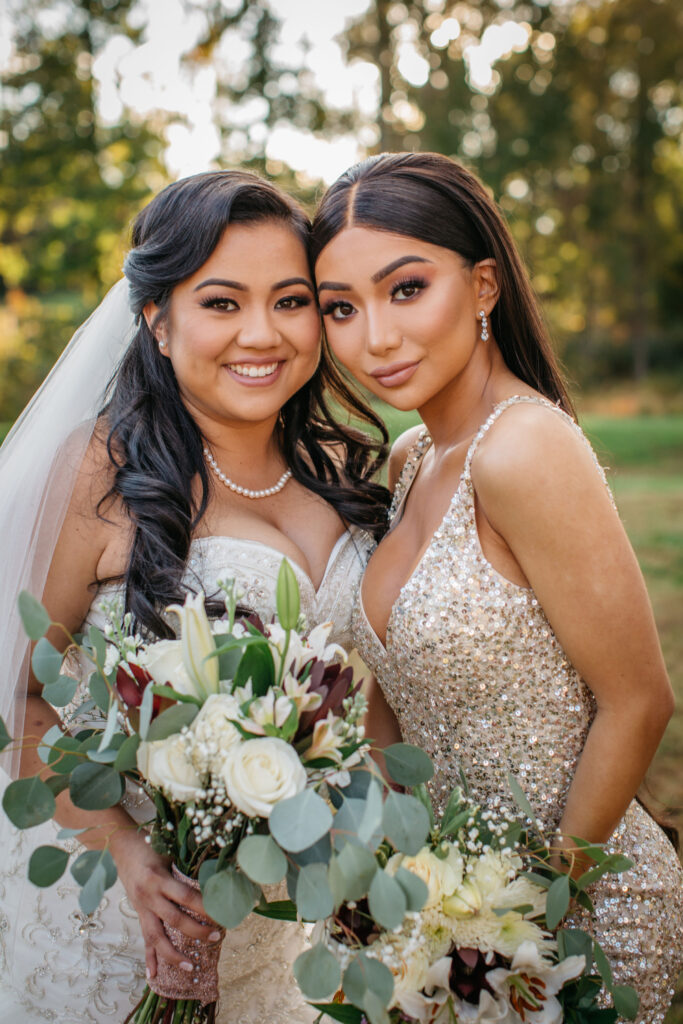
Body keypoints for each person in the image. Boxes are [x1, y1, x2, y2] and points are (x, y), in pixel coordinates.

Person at [0, 169, 389, 1022]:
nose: (262, 333)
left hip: (281, 937)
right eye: (221, 302)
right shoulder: (99, 472)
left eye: (291, 301)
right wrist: (126, 847)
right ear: (156, 320)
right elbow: (17, 699)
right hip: (115, 926)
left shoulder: (345, 480)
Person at [311, 151, 683, 1023]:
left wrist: (534, 917)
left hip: (570, 918)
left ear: (483, 287)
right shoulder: (408, 461)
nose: (375, 336)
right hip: (441, 915)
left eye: (406, 288)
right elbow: (392, 698)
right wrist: (384, 879)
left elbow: (638, 702)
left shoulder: (521, 450)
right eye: (340, 307)